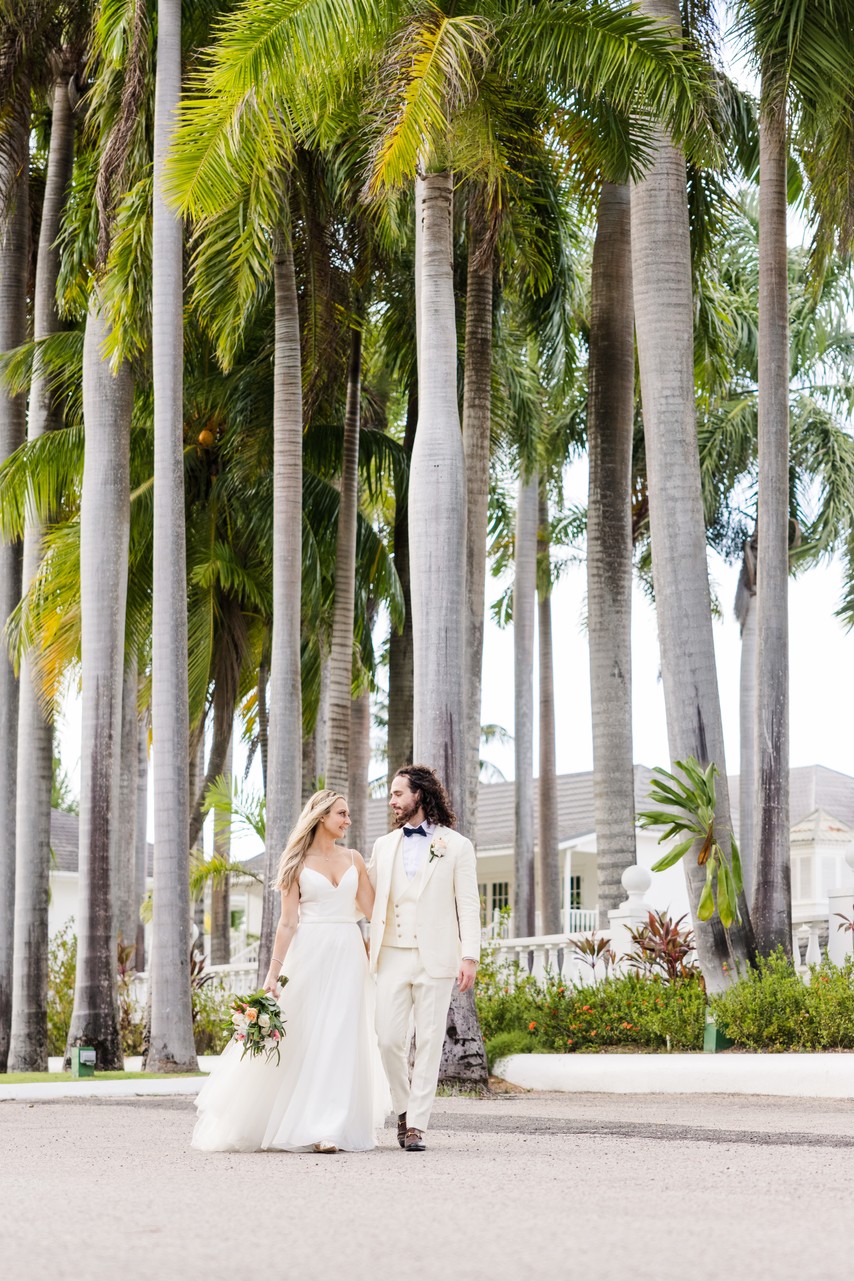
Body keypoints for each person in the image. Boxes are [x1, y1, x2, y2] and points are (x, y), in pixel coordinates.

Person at [192, 790, 389, 1154]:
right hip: (309, 954)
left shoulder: (354, 858)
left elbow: (373, 911)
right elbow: (287, 923)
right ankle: (305, 1124)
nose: (347, 820)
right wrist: (273, 973)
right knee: (308, 1035)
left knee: (341, 1036)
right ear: (321, 816)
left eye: (347, 814)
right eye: (341, 814)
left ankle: (332, 1126)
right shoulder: (295, 863)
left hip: (348, 954)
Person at [368, 764, 481, 1152]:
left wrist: (470, 956)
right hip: (391, 954)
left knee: (430, 1042)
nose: (392, 801)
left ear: (420, 794)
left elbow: (468, 906)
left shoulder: (457, 845)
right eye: (391, 794)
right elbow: (367, 895)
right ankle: (403, 1108)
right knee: (387, 1039)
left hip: (437, 957)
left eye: (398, 793)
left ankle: (416, 1124)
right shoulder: (383, 846)